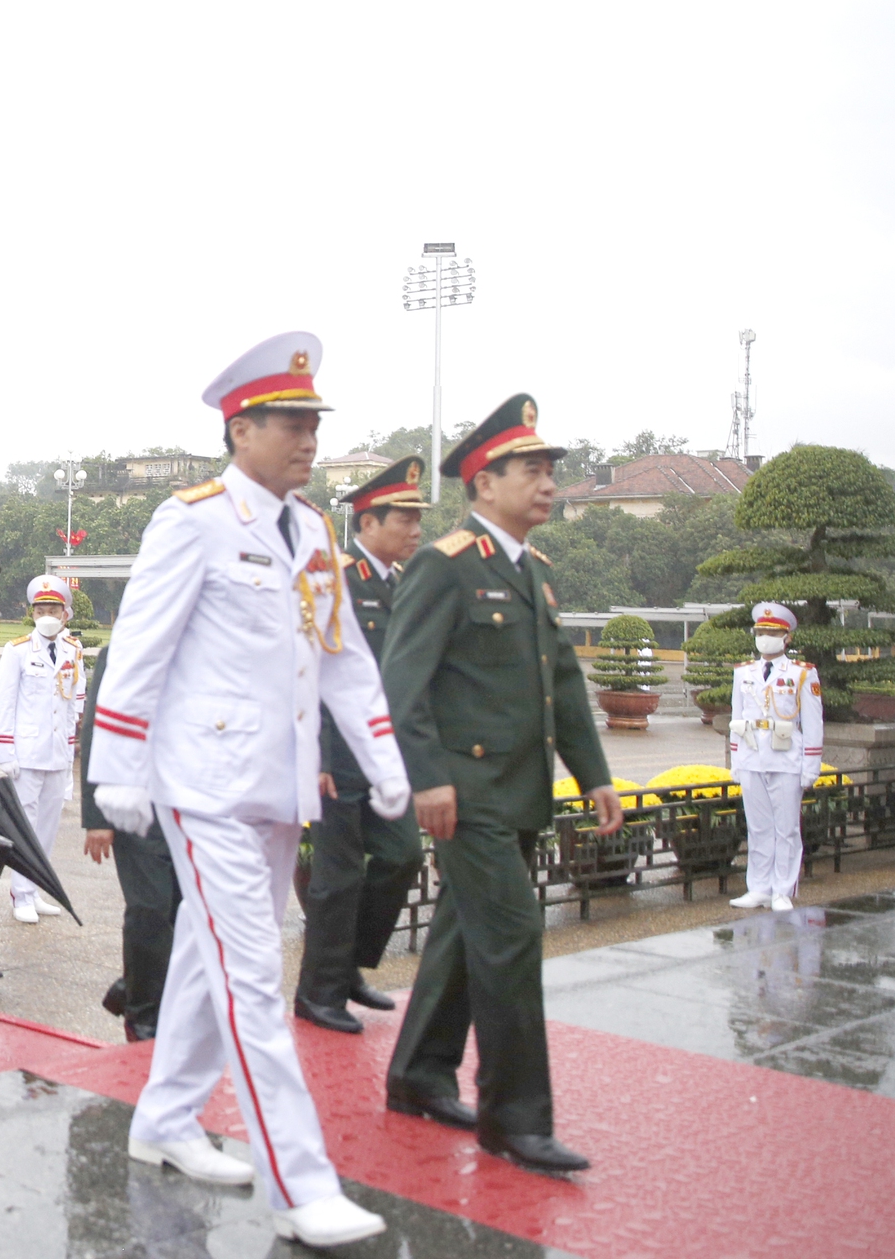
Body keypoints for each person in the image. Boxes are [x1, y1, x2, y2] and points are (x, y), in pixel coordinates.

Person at [89, 333, 410, 1250]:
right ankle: (300, 1185)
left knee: (207, 956)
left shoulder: (311, 532)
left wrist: (385, 762)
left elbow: (343, 659)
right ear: (241, 429)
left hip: (278, 789)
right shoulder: (191, 519)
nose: (309, 439)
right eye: (292, 423)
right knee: (250, 979)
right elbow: (141, 647)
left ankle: (164, 1119)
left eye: (315, 423)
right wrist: (116, 765)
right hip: (205, 786)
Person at [382, 392, 621, 1175]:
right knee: (513, 940)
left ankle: (419, 1074)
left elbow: (563, 687)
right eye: (532, 469)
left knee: (461, 935)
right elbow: (402, 683)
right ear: (485, 482)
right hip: (469, 796)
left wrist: (595, 778)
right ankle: (515, 1118)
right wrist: (430, 781)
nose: (548, 482)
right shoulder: (443, 566)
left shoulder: (534, 573)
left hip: (520, 795)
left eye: (552, 469)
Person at [294, 455, 430, 1034]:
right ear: (369, 523)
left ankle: (347, 966)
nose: (416, 530)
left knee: (402, 855)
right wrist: (316, 758)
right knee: (336, 876)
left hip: (383, 759)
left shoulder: (404, 584)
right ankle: (317, 994)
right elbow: (314, 670)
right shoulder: (336, 578)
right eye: (405, 518)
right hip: (335, 760)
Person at [78, 642, 180, 1042]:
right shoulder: (123, 649)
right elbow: (97, 728)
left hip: (190, 802)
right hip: (135, 802)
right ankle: (142, 1015)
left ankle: (135, 986)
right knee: (150, 907)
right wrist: (98, 816)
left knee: (181, 909)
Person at [0, 574, 85, 924]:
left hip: (58, 752)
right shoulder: (16, 650)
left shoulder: (73, 650)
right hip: (27, 752)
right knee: (25, 827)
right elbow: (5, 702)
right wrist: (6, 752)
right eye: (40, 608)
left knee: (48, 827)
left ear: (65, 614)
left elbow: (74, 702)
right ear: (32, 612)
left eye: (53, 608)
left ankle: (36, 886)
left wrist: (70, 749)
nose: (46, 613)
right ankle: (21, 894)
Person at [728, 602, 823, 913]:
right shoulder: (743, 672)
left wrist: (811, 766)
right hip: (753, 757)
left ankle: (782, 889)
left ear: (787, 638)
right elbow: (737, 718)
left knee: (786, 828)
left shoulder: (801, 674)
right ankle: (758, 888)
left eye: (772, 633)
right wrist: (736, 761)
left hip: (786, 759)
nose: (765, 638)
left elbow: (812, 723)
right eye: (761, 632)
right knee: (758, 828)